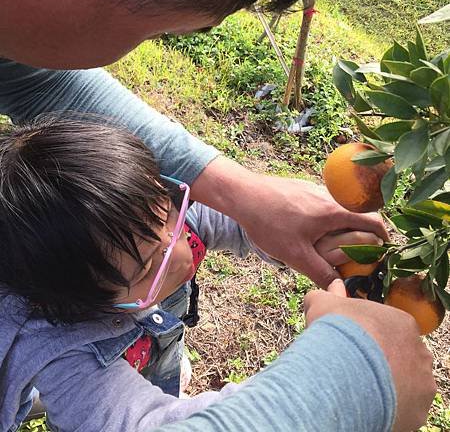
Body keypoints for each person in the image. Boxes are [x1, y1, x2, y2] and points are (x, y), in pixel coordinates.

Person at [0, 0, 436, 430]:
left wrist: (247, 196)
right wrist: (347, 379)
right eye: (156, 32)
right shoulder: (68, 351)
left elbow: (31, 81)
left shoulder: (153, 222)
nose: (179, 245)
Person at [0, 116, 435, 432]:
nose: (179, 250)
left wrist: (313, 244)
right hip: (103, 384)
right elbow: (146, 423)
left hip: (154, 347)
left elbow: (234, 223)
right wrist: (321, 373)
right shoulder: (67, 360)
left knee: (165, 368)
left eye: (169, 210)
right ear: (83, 303)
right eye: (149, 266)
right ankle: (40, 401)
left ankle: (166, 372)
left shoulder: (148, 229)